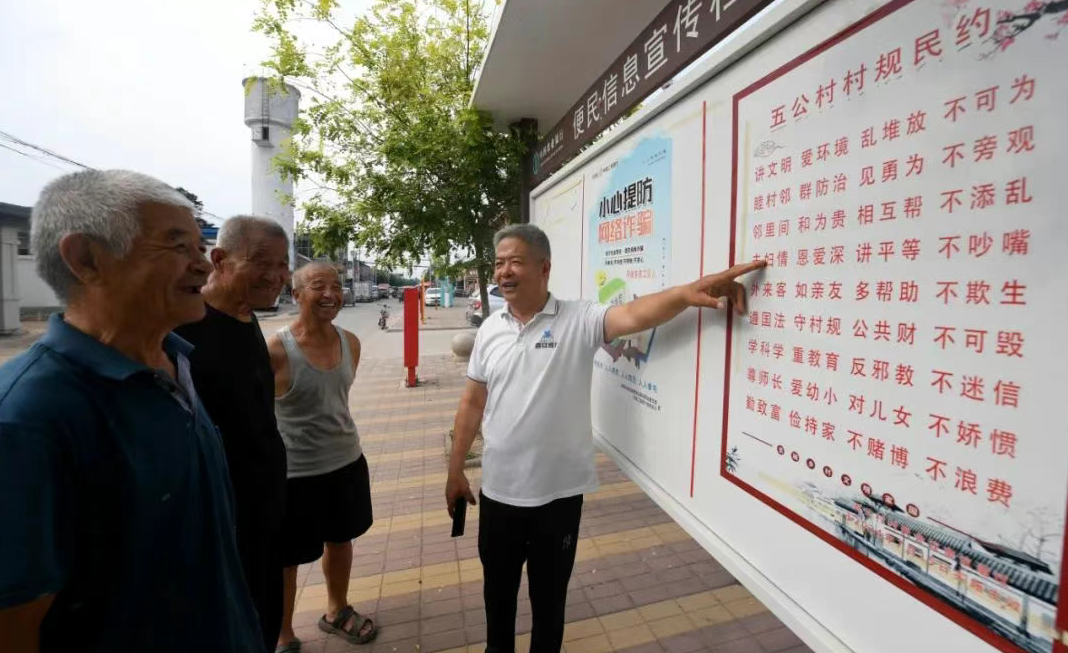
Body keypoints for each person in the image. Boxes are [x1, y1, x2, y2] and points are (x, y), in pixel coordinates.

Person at [445, 224, 766, 653]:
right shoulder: (489, 330)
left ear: (544, 268)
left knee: (549, 604)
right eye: (499, 262)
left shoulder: (579, 319)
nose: (504, 271)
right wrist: (455, 470)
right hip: (500, 494)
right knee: (497, 598)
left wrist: (688, 291)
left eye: (515, 262)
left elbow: (635, 314)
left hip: (558, 499)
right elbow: (472, 403)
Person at [0, 170, 264, 652]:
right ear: (87, 259)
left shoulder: (177, 362)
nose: (202, 266)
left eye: (200, 247)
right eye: (177, 245)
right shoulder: (27, 419)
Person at [174, 215, 291, 652]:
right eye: (262, 262)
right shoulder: (182, 330)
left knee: (264, 614)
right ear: (220, 260)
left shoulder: (247, 314)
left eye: (283, 265)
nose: (276, 276)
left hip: (265, 506)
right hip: (220, 520)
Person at [268, 262, 377, 652]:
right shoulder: (276, 349)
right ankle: (282, 633)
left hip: (346, 462)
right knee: (287, 559)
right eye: (318, 286)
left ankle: (336, 610)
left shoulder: (351, 342)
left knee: (341, 540)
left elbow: (337, 401)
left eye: (336, 286)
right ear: (296, 294)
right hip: (295, 473)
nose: (331, 294)